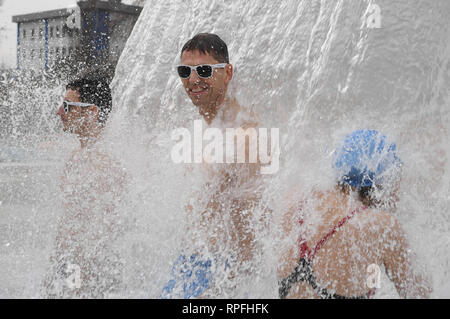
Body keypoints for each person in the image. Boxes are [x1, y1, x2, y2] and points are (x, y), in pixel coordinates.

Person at [161, 33, 266, 298]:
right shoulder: (199, 130)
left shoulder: (245, 136)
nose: (193, 80)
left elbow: (255, 223)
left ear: (228, 72)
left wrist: (221, 289)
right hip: (191, 264)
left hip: (220, 274)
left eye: (204, 70)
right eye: (185, 71)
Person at [278, 129, 432, 299]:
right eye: (394, 184)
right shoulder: (381, 225)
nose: (397, 196)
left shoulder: (294, 202)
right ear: (378, 185)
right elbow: (419, 293)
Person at [43, 76, 127, 298]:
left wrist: (78, 285)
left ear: (91, 112)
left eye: (68, 107)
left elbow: (102, 234)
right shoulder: (77, 157)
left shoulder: (105, 164)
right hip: (71, 264)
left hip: (91, 273)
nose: (59, 112)